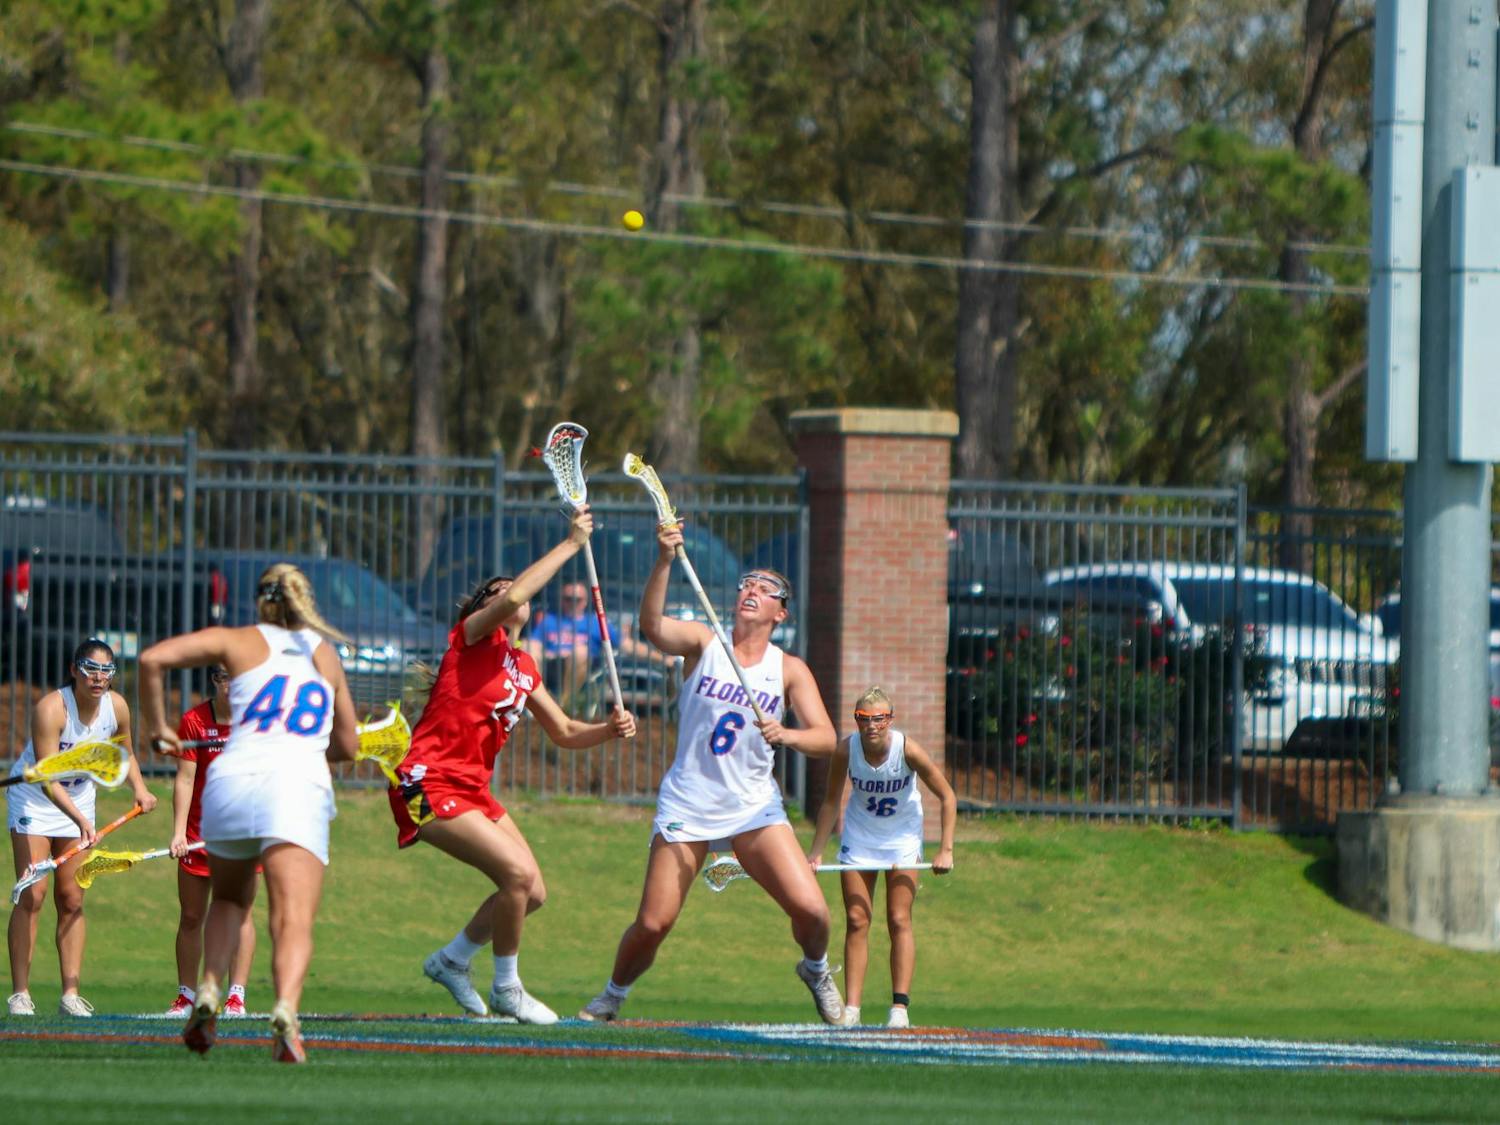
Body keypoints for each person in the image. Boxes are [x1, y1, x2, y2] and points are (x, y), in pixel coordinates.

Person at [579, 533, 842, 1024]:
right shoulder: (705, 644)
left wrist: (785, 733)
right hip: (689, 802)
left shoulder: (789, 670)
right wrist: (663, 559)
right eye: (748, 582)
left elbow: (826, 739)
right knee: (654, 922)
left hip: (753, 807)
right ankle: (612, 994)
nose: (752, 589)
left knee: (813, 912)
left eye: (766, 588)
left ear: (781, 613)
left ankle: (816, 968)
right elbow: (652, 626)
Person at [393, 506, 636, 1024]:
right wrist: (570, 544)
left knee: (533, 892)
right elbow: (514, 596)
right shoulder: (470, 639)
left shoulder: (522, 665)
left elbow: (564, 730)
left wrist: (609, 729)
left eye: (513, 587)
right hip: (427, 781)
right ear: (484, 607)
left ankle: (452, 960)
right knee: (518, 875)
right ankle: (508, 988)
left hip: (472, 790)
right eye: (497, 590)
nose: (510, 592)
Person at [139, 563, 358, 1063]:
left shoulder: (235, 641)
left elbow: (152, 658)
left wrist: (158, 728)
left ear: (260, 601)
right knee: (291, 917)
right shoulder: (324, 655)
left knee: (228, 901)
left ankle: (208, 989)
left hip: (231, 782)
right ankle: (285, 1010)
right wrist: (305, 744)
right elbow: (347, 745)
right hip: (295, 787)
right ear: (306, 601)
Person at [7, 638, 158, 1018]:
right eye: (90, 668)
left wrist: (140, 789)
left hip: (78, 800)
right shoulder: (51, 709)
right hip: (35, 800)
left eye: (106, 670)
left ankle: (70, 995)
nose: (99, 677)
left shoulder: (116, 707)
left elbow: (124, 751)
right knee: (33, 894)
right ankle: (20, 994)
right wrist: (80, 820)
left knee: (72, 897)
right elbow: (47, 778)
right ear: (74, 670)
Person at [807, 686, 956, 1029]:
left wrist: (945, 849)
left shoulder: (907, 750)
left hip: (902, 838)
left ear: (890, 719)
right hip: (860, 837)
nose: (871, 726)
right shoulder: (846, 750)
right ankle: (852, 1010)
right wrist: (815, 853)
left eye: (878, 719)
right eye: (863, 719)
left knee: (899, 918)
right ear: (856, 720)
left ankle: (899, 1008)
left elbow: (947, 796)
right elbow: (830, 802)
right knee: (857, 919)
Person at [163, 664, 258, 1018]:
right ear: (215, 681)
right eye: (223, 678)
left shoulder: (257, 722)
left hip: (241, 837)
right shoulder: (195, 721)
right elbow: (186, 779)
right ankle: (186, 995)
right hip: (198, 836)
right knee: (191, 916)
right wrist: (178, 832)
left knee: (241, 913)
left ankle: (236, 996)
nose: (230, 685)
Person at [525, 580, 660, 709]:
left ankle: (564, 704)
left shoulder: (596, 622)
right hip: (550, 665)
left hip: (584, 666)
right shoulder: (549, 620)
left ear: (585, 601)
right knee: (527, 646)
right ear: (561, 600)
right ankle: (536, 701)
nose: (572, 603)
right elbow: (534, 642)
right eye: (568, 599)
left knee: (580, 652)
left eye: (577, 599)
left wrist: (662, 658)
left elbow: (626, 645)